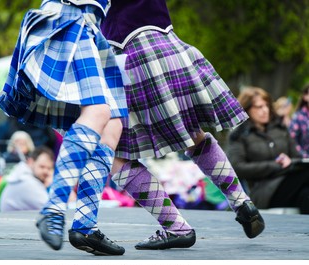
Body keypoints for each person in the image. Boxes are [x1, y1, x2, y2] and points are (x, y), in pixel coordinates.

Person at [89, 0, 263, 250]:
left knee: (114, 151)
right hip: (171, 49)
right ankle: (242, 202)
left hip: (131, 56)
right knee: (193, 134)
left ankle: (175, 227)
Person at [0, 0, 128, 255]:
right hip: (71, 16)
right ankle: (53, 209)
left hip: (90, 26)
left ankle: (85, 226)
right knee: (98, 111)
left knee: (112, 126)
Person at [227, 86, 309, 214]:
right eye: (259, 107)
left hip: (291, 184)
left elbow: (298, 158)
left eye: (266, 106)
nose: (265, 110)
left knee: (306, 195)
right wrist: (276, 166)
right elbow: (237, 168)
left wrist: (289, 162)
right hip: (263, 192)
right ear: (246, 109)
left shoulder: (280, 130)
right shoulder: (239, 135)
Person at [0, 146, 55, 211]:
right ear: (30, 162)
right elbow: (53, 210)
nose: (46, 171)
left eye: (49, 168)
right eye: (42, 167)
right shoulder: (27, 182)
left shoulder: (22, 176)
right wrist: (51, 186)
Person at [289, 84, 309, 158]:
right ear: (305, 97)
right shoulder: (298, 117)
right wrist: (304, 156)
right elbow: (292, 141)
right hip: (304, 162)